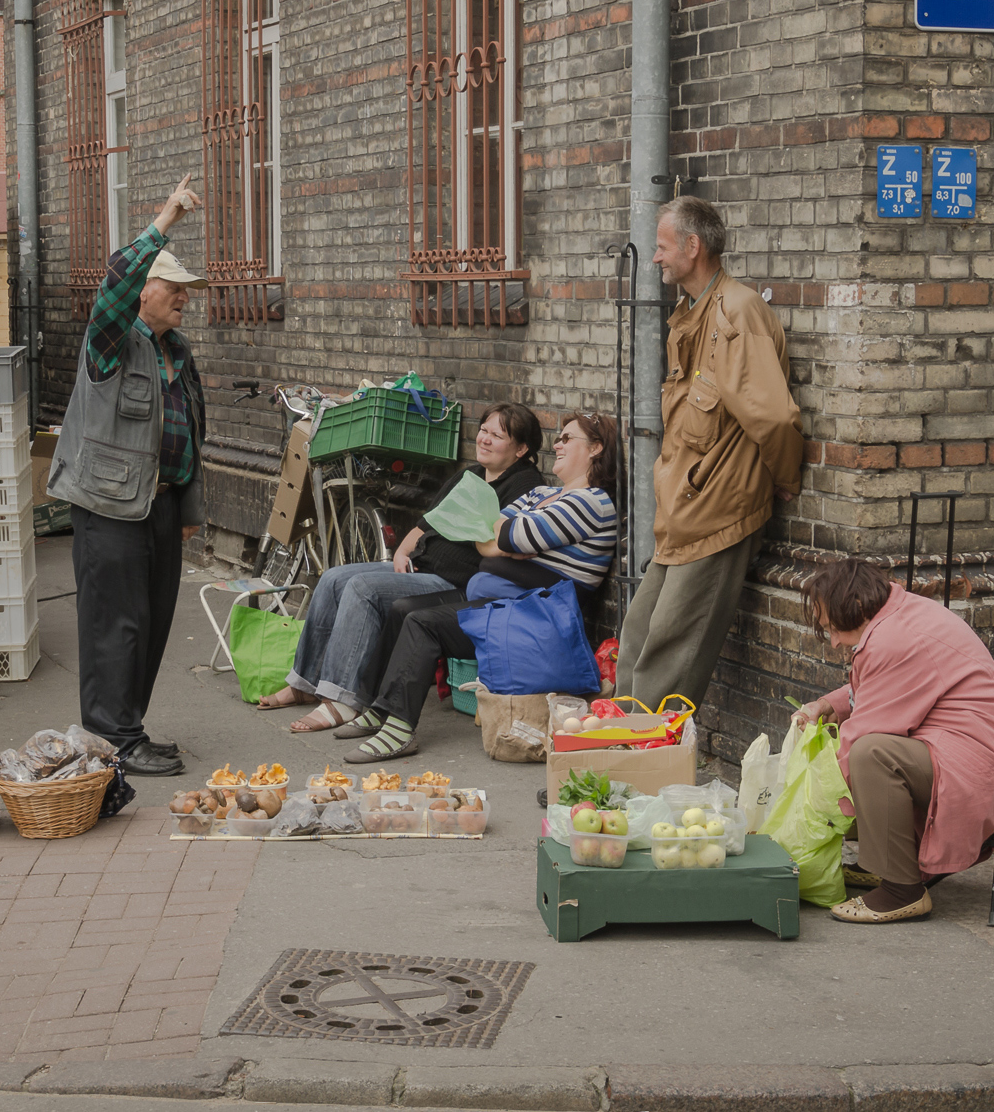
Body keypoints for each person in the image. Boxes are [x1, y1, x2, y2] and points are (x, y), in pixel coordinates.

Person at [340, 412, 623, 764]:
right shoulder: (541, 492)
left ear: (595, 448)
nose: (557, 444)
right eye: (559, 437)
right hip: (502, 602)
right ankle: (379, 708)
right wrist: (505, 540)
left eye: (568, 438)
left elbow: (505, 533)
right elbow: (483, 531)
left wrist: (505, 537)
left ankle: (399, 731)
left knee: (423, 624)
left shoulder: (592, 503)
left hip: (537, 617)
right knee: (402, 608)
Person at [44, 174, 208, 778]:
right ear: (144, 291)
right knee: (118, 624)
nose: (185, 296)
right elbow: (113, 284)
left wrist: (188, 512)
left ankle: (126, 729)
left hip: (159, 507)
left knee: (154, 622)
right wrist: (164, 218)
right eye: (174, 286)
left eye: (188, 289)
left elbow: (190, 433)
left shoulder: (178, 352)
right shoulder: (111, 340)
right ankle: (112, 736)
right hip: (109, 506)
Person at [616, 195, 803, 712]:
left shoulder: (737, 312)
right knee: (637, 636)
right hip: (683, 509)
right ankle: (610, 748)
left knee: (669, 649)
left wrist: (785, 479)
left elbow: (774, 418)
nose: (655, 258)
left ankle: (639, 767)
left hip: (720, 507)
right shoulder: (691, 314)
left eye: (662, 246)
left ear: (693, 247)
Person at [789, 558, 994, 924]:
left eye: (834, 630)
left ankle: (901, 891)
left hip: (992, 761)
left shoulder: (894, 638)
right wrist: (828, 705)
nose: (833, 642)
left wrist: (818, 807)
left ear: (859, 608)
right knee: (861, 752)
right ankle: (894, 864)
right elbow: (888, 681)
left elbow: (864, 734)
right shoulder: (900, 613)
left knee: (869, 754)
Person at [259, 404, 547, 730]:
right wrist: (401, 552)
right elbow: (425, 525)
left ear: (521, 449)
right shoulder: (469, 476)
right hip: (418, 567)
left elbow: (506, 542)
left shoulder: (525, 485)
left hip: (453, 582)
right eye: (484, 430)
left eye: (497, 435)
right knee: (334, 578)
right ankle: (304, 684)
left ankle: (343, 699)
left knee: (362, 588)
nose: (485, 439)